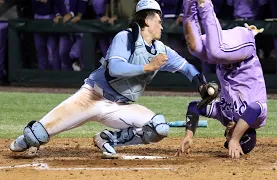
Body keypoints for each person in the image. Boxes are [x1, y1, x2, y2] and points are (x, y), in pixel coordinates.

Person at [9, 0, 212, 157]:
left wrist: (201, 84)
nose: (162, 25)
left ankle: (108, 138)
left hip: (119, 106)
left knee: (159, 128)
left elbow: (188, 68)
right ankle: (28, 141)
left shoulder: (161, 50)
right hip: (90, 98)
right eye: (158, 21)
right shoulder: (125, 38)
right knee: (35, 136)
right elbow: (115, 68)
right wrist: (149, 66)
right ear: (147, 20)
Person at [176, 0, 267, 158]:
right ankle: (205, 3)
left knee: (194, 48)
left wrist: (189, 135)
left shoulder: (225, 117)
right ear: (244, 135)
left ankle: (190, 3)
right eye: (228, 138)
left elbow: (194, 107)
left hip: (224, 55)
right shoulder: (256, 121)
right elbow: (254, 109)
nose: (226, 137)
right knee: (217, 53)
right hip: (244, 49)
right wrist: (235, 139)